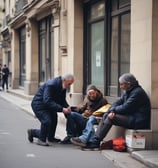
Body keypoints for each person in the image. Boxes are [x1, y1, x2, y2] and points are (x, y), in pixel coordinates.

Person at [71, 73, 151, 150]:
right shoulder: (128, 91)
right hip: (131, 117)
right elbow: (117, 102)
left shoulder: (137, 93)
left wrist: (113, 111)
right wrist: (111, 110)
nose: (120, 86)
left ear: (128, 84)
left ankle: (95, 141)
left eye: (122, 84)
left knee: (110, 117)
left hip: (138, 121)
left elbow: (126, 108)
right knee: (107, 114)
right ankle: (94, 140)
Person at [27, 73, 74, 146]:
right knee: (47, 121)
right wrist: (61, 109)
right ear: (64, 80)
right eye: (69, 84)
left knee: (54, 120)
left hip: (49, 105)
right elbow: (47, 100)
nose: (69, 86)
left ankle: (50, 137)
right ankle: (39, 138)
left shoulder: (63, 86)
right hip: (39, 105)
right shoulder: (51, 84)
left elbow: (62, 100)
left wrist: (67, 107)